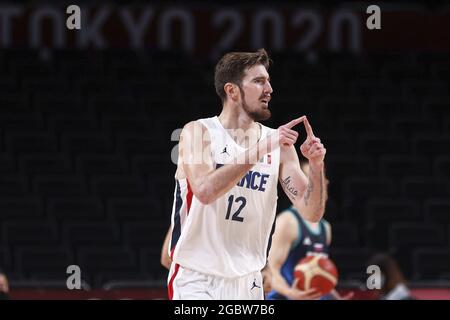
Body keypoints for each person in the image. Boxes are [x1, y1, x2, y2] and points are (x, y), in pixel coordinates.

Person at [167, 49, 327, 300]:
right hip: (197, 277)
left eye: (269, 80)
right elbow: (205, 191)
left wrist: (316, 165)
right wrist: (263, 148)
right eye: (259, 81)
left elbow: (312, 212)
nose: (269, 89)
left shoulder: (280, 147)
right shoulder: (198, 133)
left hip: (248, 281)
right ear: (232, 91)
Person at [267, 161, 353, 300]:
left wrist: (336, 297)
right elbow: (271, 270)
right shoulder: (287, 221)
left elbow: (319, 271)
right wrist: (291, 293)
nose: (316, 182)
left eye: (318, 176)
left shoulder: (325, 227)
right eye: (308, 177)